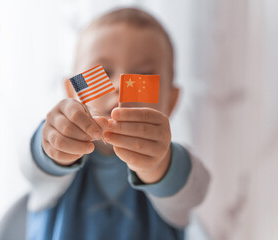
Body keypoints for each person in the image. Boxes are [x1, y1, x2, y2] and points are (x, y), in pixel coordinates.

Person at [20, 7, 210, 240]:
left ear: (170, 102)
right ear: (72, 91)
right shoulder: (53, 172)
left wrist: (159, 165)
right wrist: (54, 142)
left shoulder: (175, 166)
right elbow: (31, 167)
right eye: (102, 72)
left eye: (142, 76)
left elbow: (196, 190)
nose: (120, 85)